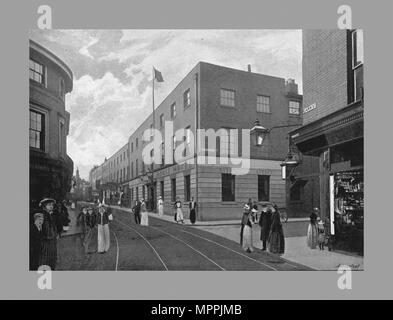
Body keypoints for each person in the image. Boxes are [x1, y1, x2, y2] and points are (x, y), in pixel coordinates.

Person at [32, 198, 66, 270]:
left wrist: (57, 234)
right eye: (48, 205)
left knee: (52, 260)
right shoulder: (40, 215)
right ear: (44, 206)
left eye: (52, 205)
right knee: (44, 260)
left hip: (52, 242)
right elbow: (37, 228)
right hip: (45, 242)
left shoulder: (52, 215)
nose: (51, 206)